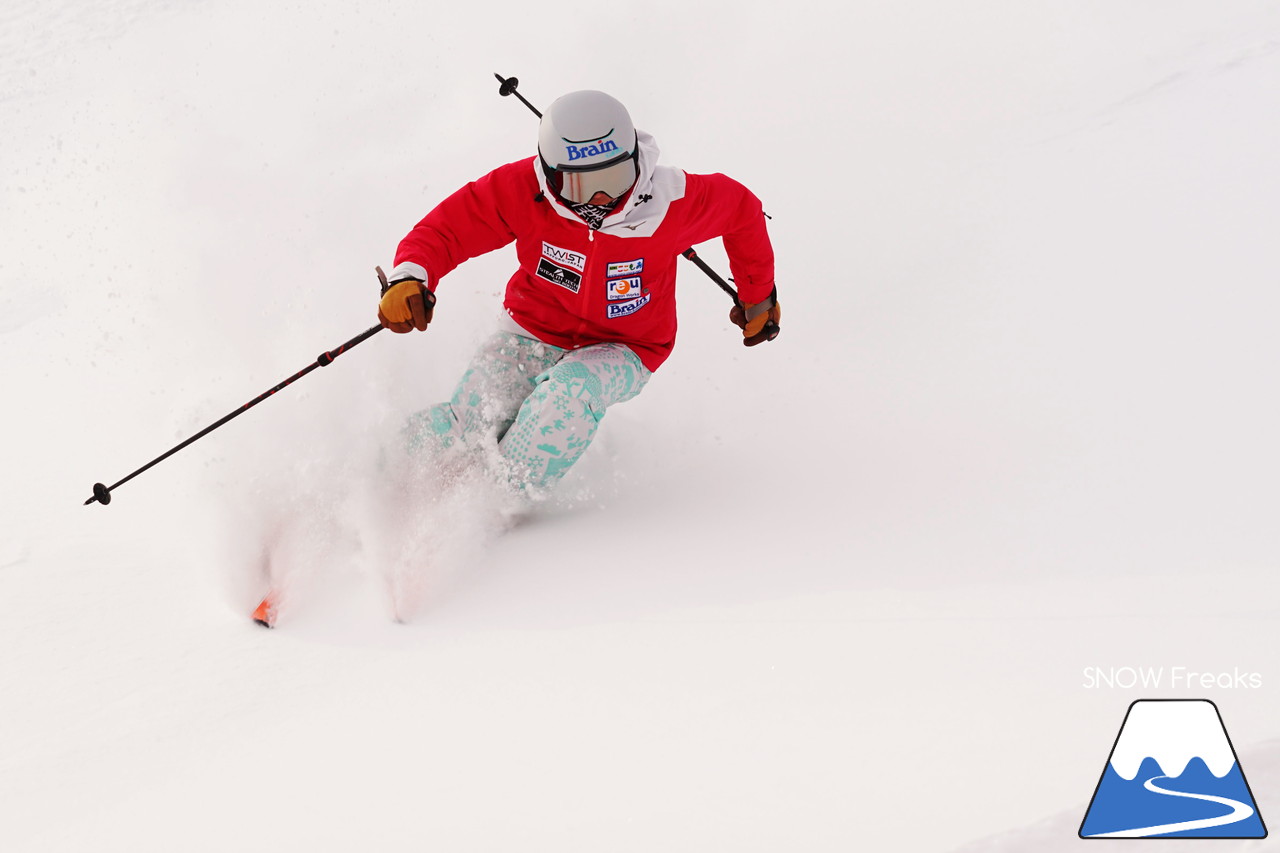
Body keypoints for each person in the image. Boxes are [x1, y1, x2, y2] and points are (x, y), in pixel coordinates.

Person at [376, 90, 780, 496]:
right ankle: (375, 475)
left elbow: (743, 211)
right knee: (468, 421)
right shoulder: (523, 190)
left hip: (627, 346)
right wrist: (411, 276)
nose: (601, 199)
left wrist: (758, 297)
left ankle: (492, 500)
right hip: (531, 329)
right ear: (551, 174)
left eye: (614, 177)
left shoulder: (671, 200)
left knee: (569, 392)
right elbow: (447, 230)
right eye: (581, 185)